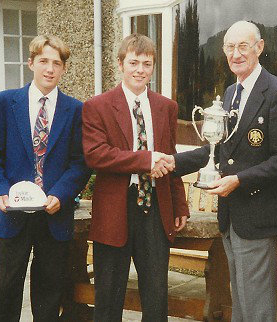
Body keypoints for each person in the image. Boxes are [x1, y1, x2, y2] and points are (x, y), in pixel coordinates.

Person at [173, 21, 277, 322]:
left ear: (259, 48)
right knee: (242, 303)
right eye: (230, 47)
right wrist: (172, 162)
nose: (236, 53)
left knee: (256, 308)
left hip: (257, 216)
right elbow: (218, 151)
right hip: (231, 217)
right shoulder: (231, 93)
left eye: (243, 46)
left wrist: (239, 180)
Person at [0, 34, 92, 321]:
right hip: (12, 212)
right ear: (31, 63)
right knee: (7, 285)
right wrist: (0, 192)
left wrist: (61, 195)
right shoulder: (5, 103)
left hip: (53, 213)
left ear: (64, 69)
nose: (49, 69)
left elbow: (80, 163)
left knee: (50, 288)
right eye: (43, 61)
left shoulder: (75, 109)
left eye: (56, 63)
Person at [81, 33, 189, 321]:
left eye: (147, 63)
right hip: (116, 208)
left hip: (155, 206)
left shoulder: (166, 107)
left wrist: (180, 205)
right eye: (133, 63)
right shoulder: (97, 106)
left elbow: (171, 157)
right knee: (109, 292)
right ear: (120, 64)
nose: (140, 70)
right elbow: (97, 155)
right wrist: (145, 160)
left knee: (156, 293)